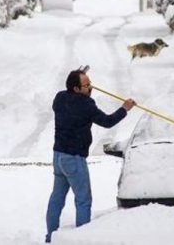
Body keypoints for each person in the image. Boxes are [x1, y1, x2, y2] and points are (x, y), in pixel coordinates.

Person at [45, 69, 135, 243]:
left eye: (90, 83)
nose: (91, 87)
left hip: (58, 157)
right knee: (83, 200)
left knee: (57, 198)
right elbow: (107, 122)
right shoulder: (86, 105)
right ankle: (82, 239)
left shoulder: (60, 98)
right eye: (87, 85)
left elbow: (70, 98)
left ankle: (50, 236)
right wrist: (125, 108)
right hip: (74, 159)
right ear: (76, 89)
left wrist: (80, 76)